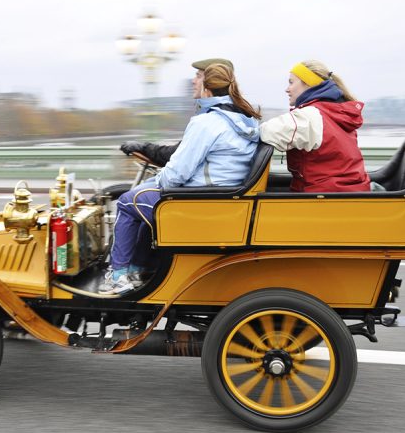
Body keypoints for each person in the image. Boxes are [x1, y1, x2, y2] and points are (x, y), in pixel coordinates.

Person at [100, 62, 261, 294]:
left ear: (207, 86)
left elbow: (176, 174)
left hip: (199, 203)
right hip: (223, 197)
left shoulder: (206, 122)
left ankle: (117, 276)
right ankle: (137, 268)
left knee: (127, 202)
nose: (194, 81)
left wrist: (157, 181)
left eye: (198, 76)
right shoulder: (244, 119)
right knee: (143, 197)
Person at [260, 60, 370, 192]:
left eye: (291, 82)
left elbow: (266, 132)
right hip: (352, 190)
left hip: (324, 194)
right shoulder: (336, 112)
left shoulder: (310, 116)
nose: (287, 89)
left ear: (308, 83)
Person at [119, 58, 234, 165]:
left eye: (198, 76)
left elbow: (176, 156)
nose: (193, 81)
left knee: (146, 187)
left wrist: (144, 147)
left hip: (203, 184)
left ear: (212, 82)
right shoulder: (233, 115)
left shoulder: (209, 121)